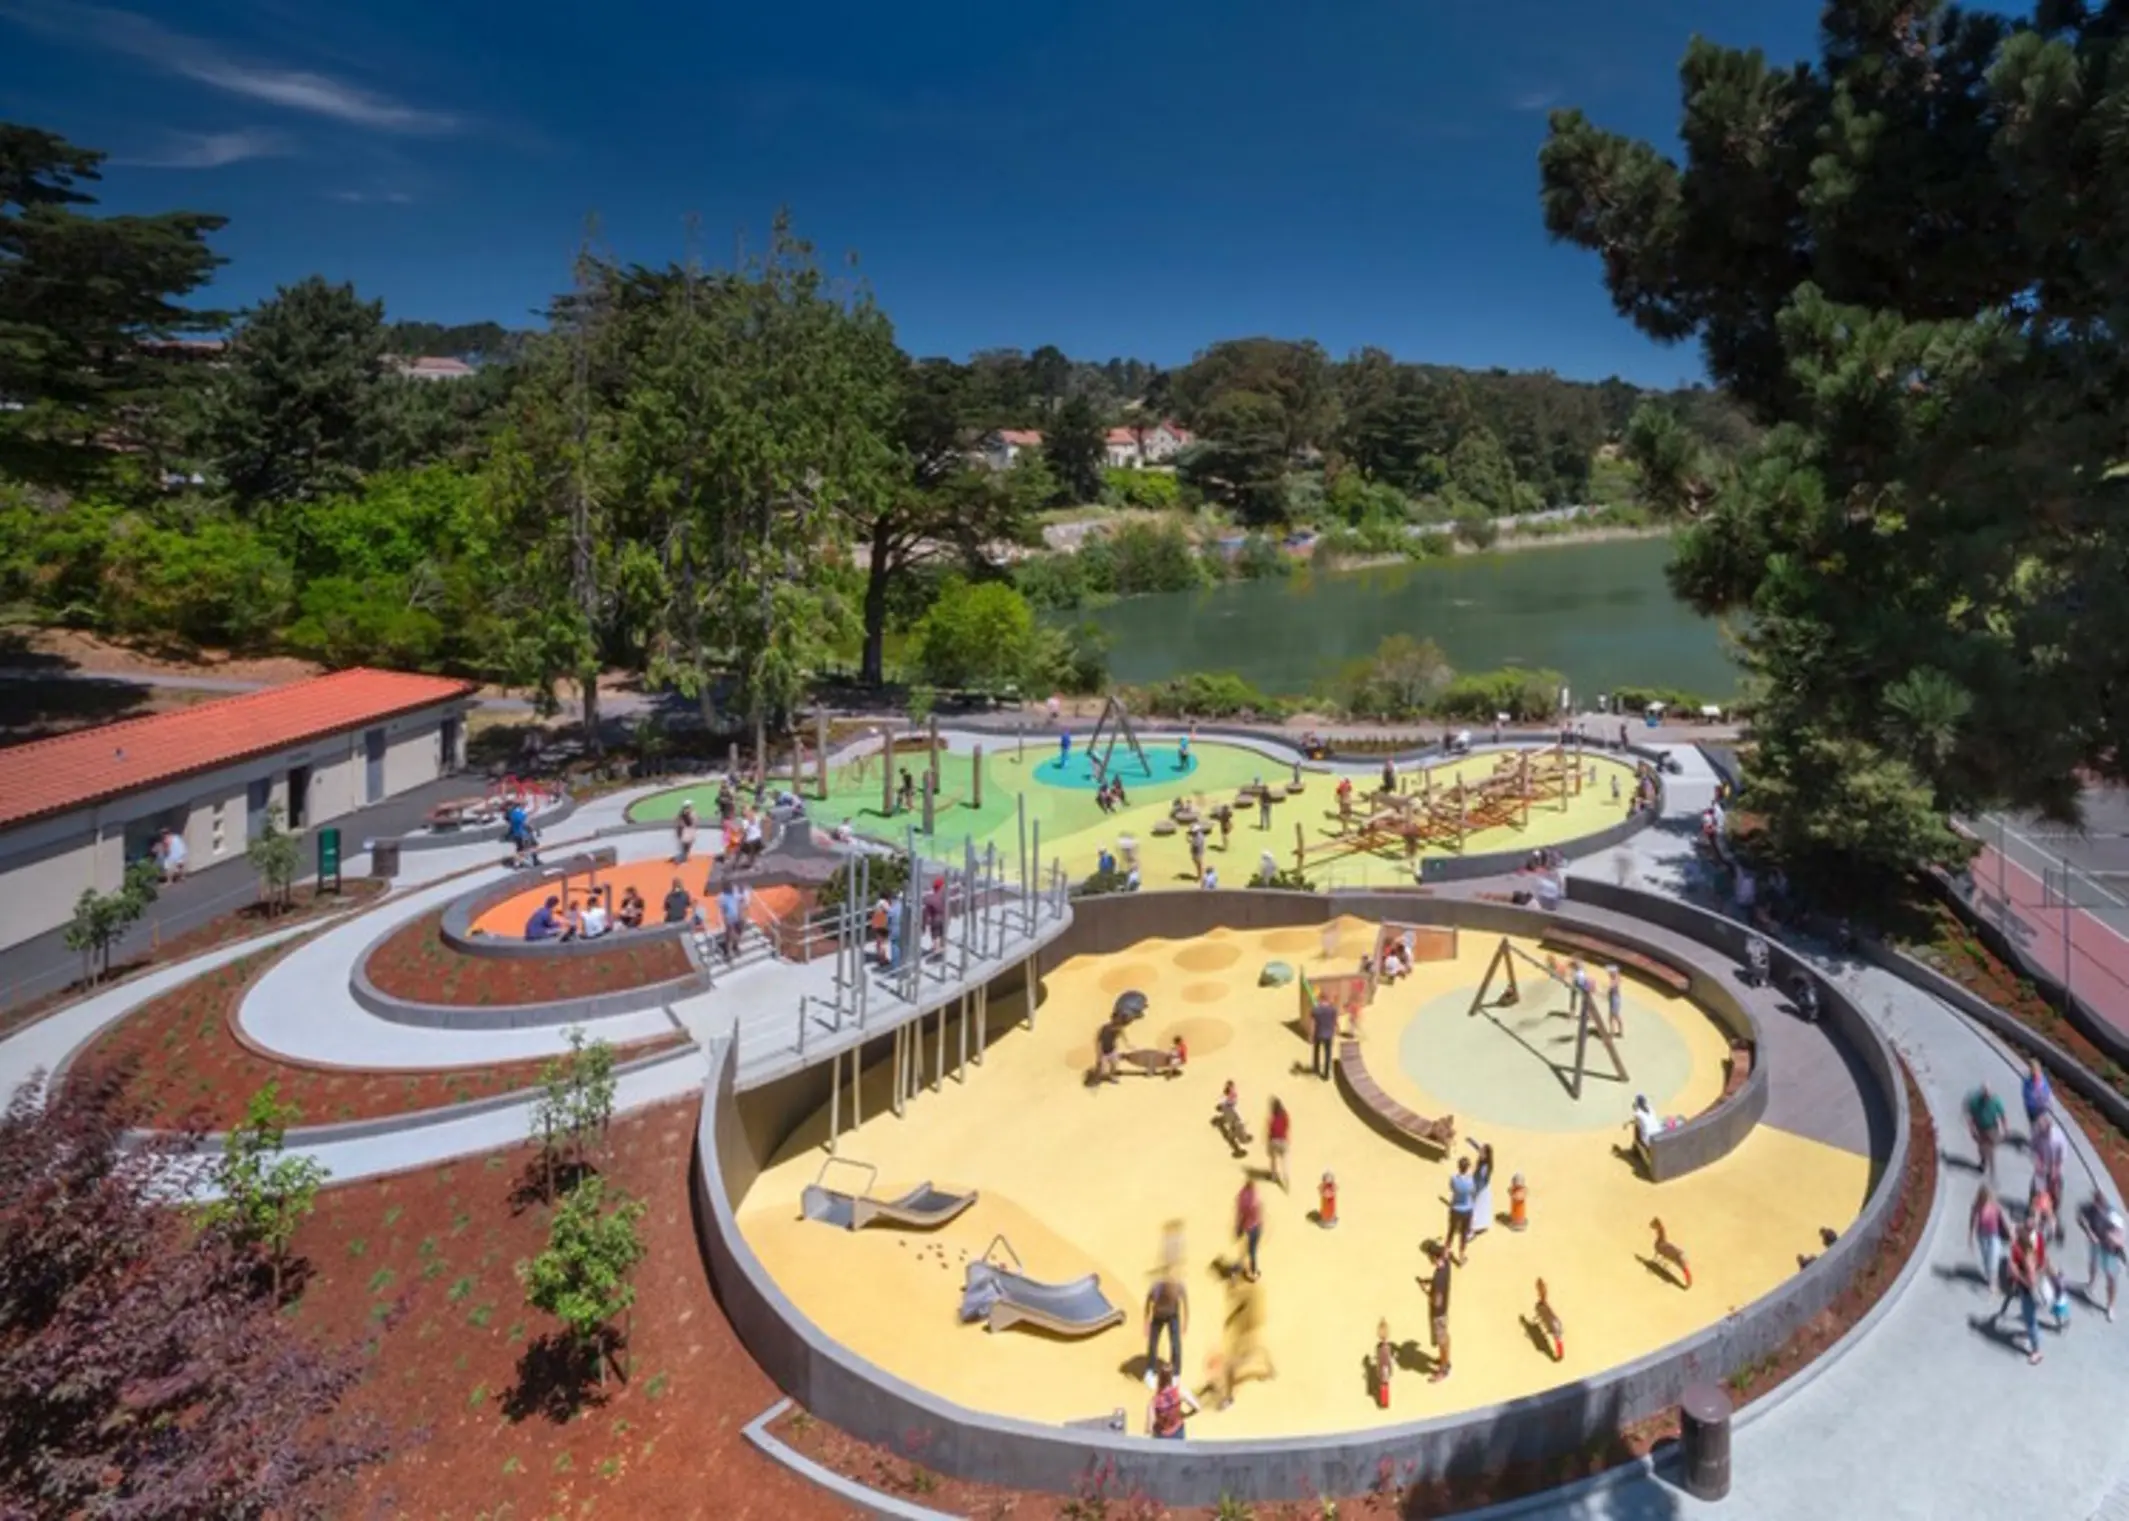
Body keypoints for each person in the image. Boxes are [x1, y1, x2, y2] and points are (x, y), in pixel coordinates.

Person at [2080, 1192, 2126, 1322]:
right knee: (2093, 1263)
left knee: (2111, 1278)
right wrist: (2089, 1233)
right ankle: (2091, 1283)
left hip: (2110, 1251)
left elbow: (2121, 1236)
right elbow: (2081, 1219)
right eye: (2096, 1203)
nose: (2098, 1207)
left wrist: (2115, 1240)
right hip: (2096, 1243)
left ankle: (2110, 1306)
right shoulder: (2089, 1209)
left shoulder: (2112, 1215)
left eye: (2100, 1204)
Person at [2032, 1112, 2070, 1243]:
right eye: (2039, 1130)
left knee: (2056, 1195)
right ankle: (2037, 1217)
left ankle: (2054, 1215)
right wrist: (2038, 1162)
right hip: (2042, 1169)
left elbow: (2063, 1155)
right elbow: (2034, 1148)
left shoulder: (2058, 1138)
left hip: (2054, 1167)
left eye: (2042, 1130)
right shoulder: (2037, 1135)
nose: (2040, 1132)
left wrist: (2056, 1169)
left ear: (2048, 1127)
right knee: (2037, 1194)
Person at [1144, 1272, 1189, 1382]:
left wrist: (1185, 1323)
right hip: (1158, 1316)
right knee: (1153, 1343)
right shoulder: (1156, 1289)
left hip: (1172, 1316)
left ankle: (1176, 1373)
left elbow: (1185, 1304)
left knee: (1175, 1344)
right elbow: (1148, 1303)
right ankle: (1151, 1370)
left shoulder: (1179, 1287)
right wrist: (1146, 1322)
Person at [1971, 1183, 2009, 1296]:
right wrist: (1970, 1236)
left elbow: (2003, 1220)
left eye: (1988, 1196)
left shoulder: (1995, 1206)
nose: (1987, 1198)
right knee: (1987, 1258)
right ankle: (1990, 1277)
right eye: (1985, 1196)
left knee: (1993, 1257)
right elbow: (1973, 1220)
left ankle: (1994, 1283)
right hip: (1982, 1235)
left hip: (1994, 1234)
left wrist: (2010, 1233)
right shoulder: (1977, 1206)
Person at [1424, 1241, 1454, 1382]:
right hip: (1444, 1311)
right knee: (1445, 1338)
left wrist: (1427, 1292)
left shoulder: (1438, 1277)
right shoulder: (1447, 1265)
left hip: (1438, 1314)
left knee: (1442, 1340)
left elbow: (1437, 1300)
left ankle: (1444, 1368)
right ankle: (1444, 1360)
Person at [1966, 1083, 2008, 1184]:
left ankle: (1992, 1173)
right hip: (1980, 1128)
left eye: (1988, 1095)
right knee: (1981, 1148)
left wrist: (2005, 1128)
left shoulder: (1996, 1101)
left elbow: (2002, 1115)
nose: (1987, 1097)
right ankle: (1983, 1162)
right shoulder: (1976, 1102)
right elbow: (1971, 1116)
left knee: (1991, 1151)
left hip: (1992, 1128)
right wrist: (1972, 1129)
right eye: (1985, 1095)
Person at [1446, 1156, 1477, 1265]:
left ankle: (1446, 1252)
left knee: (1451, 1231)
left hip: (1455, 1208)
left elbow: (1451, 1188)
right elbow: (1473, 1191)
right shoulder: (1470, 1181)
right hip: (1467, 1209)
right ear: (1467, 1168)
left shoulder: (1454, 1179)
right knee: (1464, 1234)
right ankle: (1461, 1256)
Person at [1146, 1361, 1188, 1439]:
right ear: (1172, 1378)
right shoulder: (1179, 1392)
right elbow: (1197, 1407)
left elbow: (1149, 1429)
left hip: (1162, 1435)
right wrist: (1185, 1415)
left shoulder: (1154, 1402)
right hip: (1177, 1431)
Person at [1234, 1178, 1264, 1282]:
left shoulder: (1242, 1195)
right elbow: (1259, 1210)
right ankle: (1253, 1271)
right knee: (1252, 1250)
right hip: (1255, 1226)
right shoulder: (1255, 1195)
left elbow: (1240, 1213)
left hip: (1247, 1226)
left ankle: (1245, 1267)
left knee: (1248, 1249)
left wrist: (1238, 1227)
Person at [1309, 988, 1338, 1081]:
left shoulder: (1316, 1010)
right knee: (1328, 1054)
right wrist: (1334, 1035)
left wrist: (1311, 1034)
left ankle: (1316, 1069)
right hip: (1329, 1034)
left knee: (1316, 1052)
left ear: (1320, 998)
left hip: (1318, 1033)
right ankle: (1326, 1074)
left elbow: (1312, 1023)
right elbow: (1335, 1023)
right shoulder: (1333, 1009)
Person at [718, 877, 747, 961]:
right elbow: (723, 909)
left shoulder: (734, 894)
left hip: (737, 916)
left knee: (741, 927)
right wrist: (725, 919)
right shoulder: (722, 897)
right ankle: (728, 951)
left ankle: (736, 945)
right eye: (730, 886)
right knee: (729, 934)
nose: (732, 888)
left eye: (732, 886)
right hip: (729, 917)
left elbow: (742, 899)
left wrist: (741, 904)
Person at [1265, 1098, 1291, 1192]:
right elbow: (1287, 1126)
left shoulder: (1272, 1118)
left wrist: (1268, 1142)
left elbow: (1270, 1131)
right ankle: (1286, 1180)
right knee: (1284, 1162)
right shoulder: (1285, 1115)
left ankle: (1273, 1176)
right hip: (1283, 1141)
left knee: (1273, 1159)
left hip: (1274, 1141)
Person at [1095, 1016, 1123, 1084]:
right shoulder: (1105, 1029)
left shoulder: (1117, 1029)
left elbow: (1119, 1036)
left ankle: (1112, 1077)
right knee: (1102, 1068)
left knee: (1114, 1065)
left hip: (1112, 1050)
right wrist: (1099, 1052)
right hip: (1104, 1051)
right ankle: (1098, 1077)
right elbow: (1099, 1041)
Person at [1605, 965, 1625, 1040]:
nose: (1608, 974)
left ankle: (1619, 1032)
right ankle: (1613, 1032)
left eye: (1610, 972)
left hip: (1615, 999)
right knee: (1611, 1017)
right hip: (1612, 998)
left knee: (1615, 1016)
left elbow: (1611, 987)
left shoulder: (1616, 979)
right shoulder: (1614, 978)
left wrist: (1605, 991)